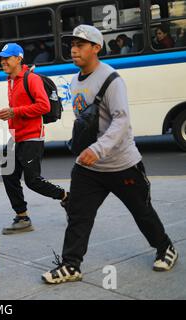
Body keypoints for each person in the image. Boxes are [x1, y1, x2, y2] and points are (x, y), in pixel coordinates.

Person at [41, 25, 178, 284]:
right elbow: (86, 120)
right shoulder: (75, 79)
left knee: (142, 212)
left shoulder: (112, 80)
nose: (74, 49)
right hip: (89, 168)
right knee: (78, 215)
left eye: (80, 45)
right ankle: (71, 265)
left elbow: (121, 121)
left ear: (96, 48)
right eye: (72, 44)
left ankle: (165, 248)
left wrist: (98, 148)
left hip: (122, 165)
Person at [0, 43, 68, 235]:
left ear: (19, 58)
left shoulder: (31, 79)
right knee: (7, 173)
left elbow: (44, 106)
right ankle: (22, 217)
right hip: (16, 136)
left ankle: (66, 197)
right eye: (2, 57)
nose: (3, 61)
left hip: (32, 136)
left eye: (7, 57)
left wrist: (14, 112)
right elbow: (16, 109)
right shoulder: (11, 80)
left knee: (33, 181)